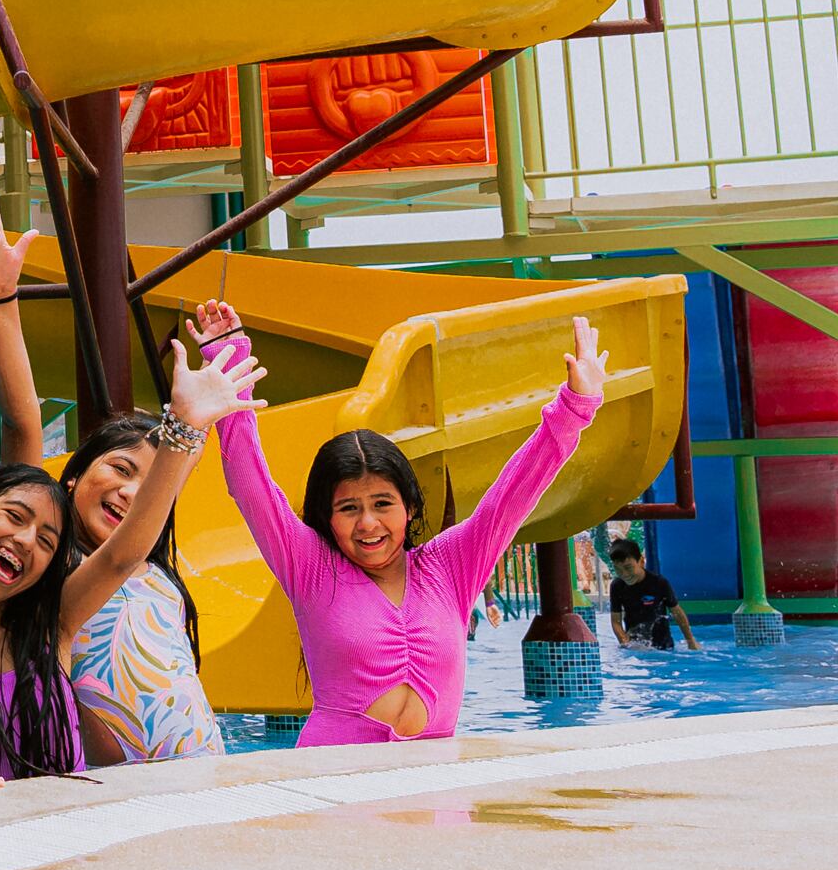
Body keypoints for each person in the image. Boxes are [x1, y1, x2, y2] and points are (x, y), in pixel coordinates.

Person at [187, 297, 607, 745]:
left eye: (382, 504)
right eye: (348, 508)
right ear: (327, 518)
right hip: (335, 781)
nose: (368, 523)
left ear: (409, 506)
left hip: (433, 788)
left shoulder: (451, 566)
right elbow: (251, 485)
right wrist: (226, 357)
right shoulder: (311, 567)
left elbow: (512, 496)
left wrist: (574, 409)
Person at [0, 301, 243, 786]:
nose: (26, 539)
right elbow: (18, 433)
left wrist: (194, 413)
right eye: (120, 468)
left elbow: (132, 543)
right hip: (72, 802)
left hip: (188, 783)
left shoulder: (86, 603)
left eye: (46, 539)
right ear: (74, 477)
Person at [0, 263, 227, 766]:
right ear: (71, 480)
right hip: (117, 792)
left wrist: (224, 352)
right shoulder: (52, 570)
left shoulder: (151, 566)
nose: (133, 493)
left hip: (207, 775)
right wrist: (1, 302)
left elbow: (185, 456)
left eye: (148, 485)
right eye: (120, 469)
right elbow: (23, 423)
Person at [605, 533, 695, 650]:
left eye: (628, 568)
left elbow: (677, 612)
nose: (624, 574)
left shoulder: (659, 583)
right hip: (636, 647)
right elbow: (616, 622)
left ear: (641, 561)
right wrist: (626, 643)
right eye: (618, 569)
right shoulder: (617, 586)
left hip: (663, 647)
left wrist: (690, 640)